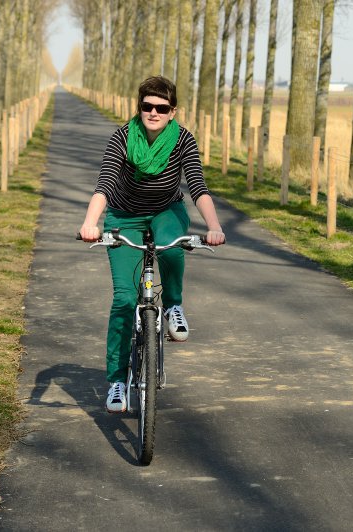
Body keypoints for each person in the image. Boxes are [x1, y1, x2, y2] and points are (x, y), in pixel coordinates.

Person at [80, 76, 225, 414]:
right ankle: (117, 381)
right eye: (147, 106)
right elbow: (105, 182)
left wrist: (214, 227)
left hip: (166, 210)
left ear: (173, 111)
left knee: (172, 246)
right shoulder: (123, 137)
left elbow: (198, 187)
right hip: (124, 215)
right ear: (139, 107)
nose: (153, 112)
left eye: (162, 107)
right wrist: (91, 223)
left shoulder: (183, 141)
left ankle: (173, 305)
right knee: (123, 299)